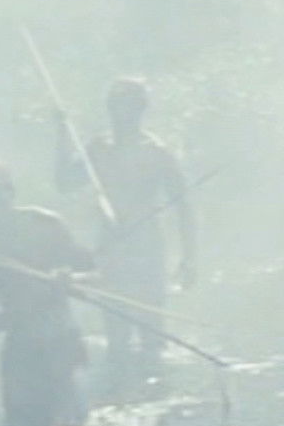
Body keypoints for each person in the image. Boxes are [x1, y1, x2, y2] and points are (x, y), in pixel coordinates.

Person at [55, 77, 195, 392]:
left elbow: (183, 207)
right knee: (116, 334)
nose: (120, 112)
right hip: (111, 249)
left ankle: (156, 393)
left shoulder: (157, 152)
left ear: (140, 109)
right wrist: (62, 131)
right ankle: (119, 394)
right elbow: (64, 183)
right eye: (115, 104)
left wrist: (190, 258)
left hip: (147, 249)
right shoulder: (98, 148)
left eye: (128, 105)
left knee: (151, 334)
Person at [0, 159, 92, 426]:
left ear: (9, 192)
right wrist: (5, 314)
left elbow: (97, 275)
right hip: (20, 354)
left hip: (62, 344)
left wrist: (69, 279)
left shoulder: (47, 224)